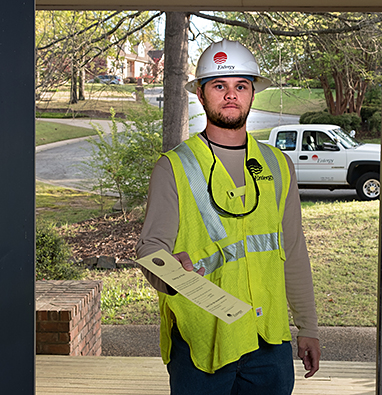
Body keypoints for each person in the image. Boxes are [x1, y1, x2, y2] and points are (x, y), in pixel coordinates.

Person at [136, 38, 320, 395]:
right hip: (202, 342)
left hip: (269, 343)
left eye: (241, 86)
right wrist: (170, 269)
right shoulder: (173, 167)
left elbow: (294, 252)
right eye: (219, 85)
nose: (231, 95)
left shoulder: (278, 166)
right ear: (201, 95)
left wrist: (308, 326)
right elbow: (150, 249)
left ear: (252, 94)